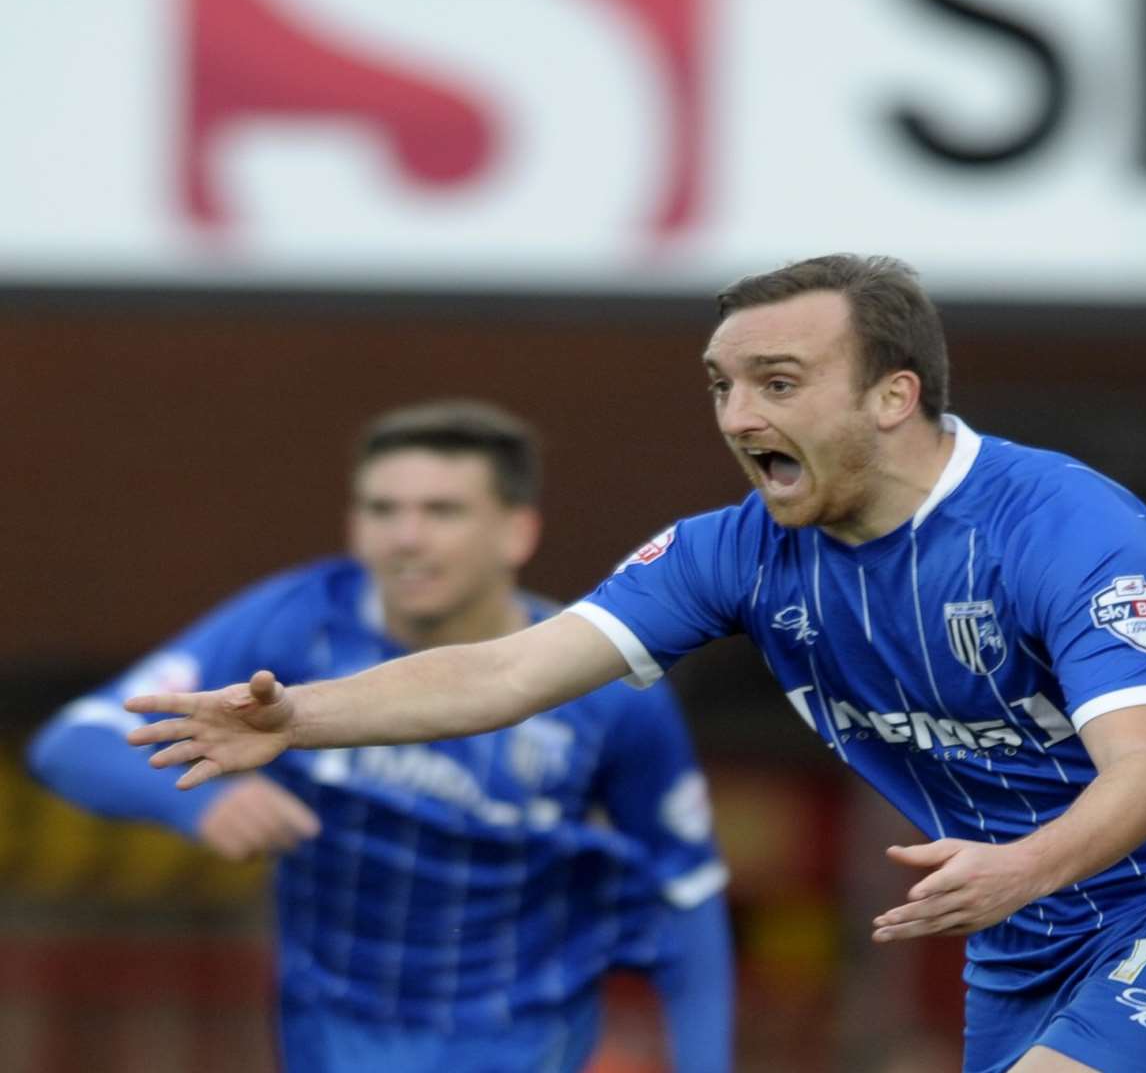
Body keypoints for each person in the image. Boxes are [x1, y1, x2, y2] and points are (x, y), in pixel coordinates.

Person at [125, 255, 1146, 1071]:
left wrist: (1016, 870)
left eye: (777, 385)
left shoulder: (1066, 528)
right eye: (722, 387)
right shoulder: (731, 551)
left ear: (894, 397)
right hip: (1025, 931)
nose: (737, 417)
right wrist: (297, 720)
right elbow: (505, 672)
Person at [35, 401, 734, 1073]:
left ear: (517, 532)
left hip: (520, 1037)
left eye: (443, 511)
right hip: (333, 1030)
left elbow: (688, 890)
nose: (406, 536)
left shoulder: (603, 682)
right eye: (382, 510)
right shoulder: (296, 626)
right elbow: (74, 740)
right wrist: (201, 804)